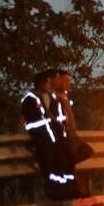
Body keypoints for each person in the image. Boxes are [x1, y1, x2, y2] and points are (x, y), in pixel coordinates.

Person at [21, 71, 77, 199]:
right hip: (41, 138)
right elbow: (33, 120)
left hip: (52, 137)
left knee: (62, 161)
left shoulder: (47, 97)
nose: (50, 85)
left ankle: (67, 190)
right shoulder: (30, 99)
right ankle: (56, 191)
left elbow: (51, 117)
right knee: (50, 164)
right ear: (41, 84)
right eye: (48, 82)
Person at [53, 69, 94, 167]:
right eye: (65, 81)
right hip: (63, 136)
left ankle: (64, 167)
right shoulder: (54, 99)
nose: (68, 83)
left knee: (86, 152)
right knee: (86, 151)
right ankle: (62, 167)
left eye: (69, 81)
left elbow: (69, 116)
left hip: (71, 135)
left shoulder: (65, 97)